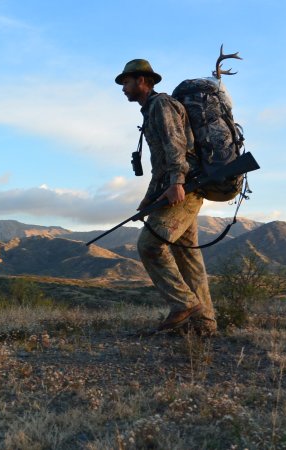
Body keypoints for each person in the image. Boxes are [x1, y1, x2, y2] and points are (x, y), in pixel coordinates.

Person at [115, 59, 217, 335]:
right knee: (187, 257)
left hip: (186, 188)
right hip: (179, 186)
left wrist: (177, 182)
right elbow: (159, 162)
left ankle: (184, 303)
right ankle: (205, 325)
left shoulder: (161, 105)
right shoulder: (150, 111)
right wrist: (149, 200)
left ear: (141, 80)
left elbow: (176, 146)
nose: (123, 88)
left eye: (126, 82)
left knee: (150, 245)